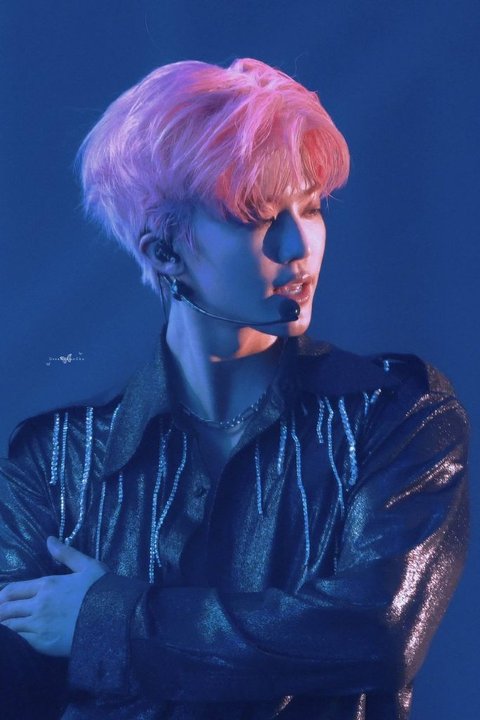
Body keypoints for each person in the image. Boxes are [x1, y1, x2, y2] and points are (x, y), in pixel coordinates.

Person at [0, 58, 470, 720]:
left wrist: (111, 619)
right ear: (164, 253)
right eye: (257, 216)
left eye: (311, 207)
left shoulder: (392, 417)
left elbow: (375, 632)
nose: (299, 245)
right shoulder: (55, 460)